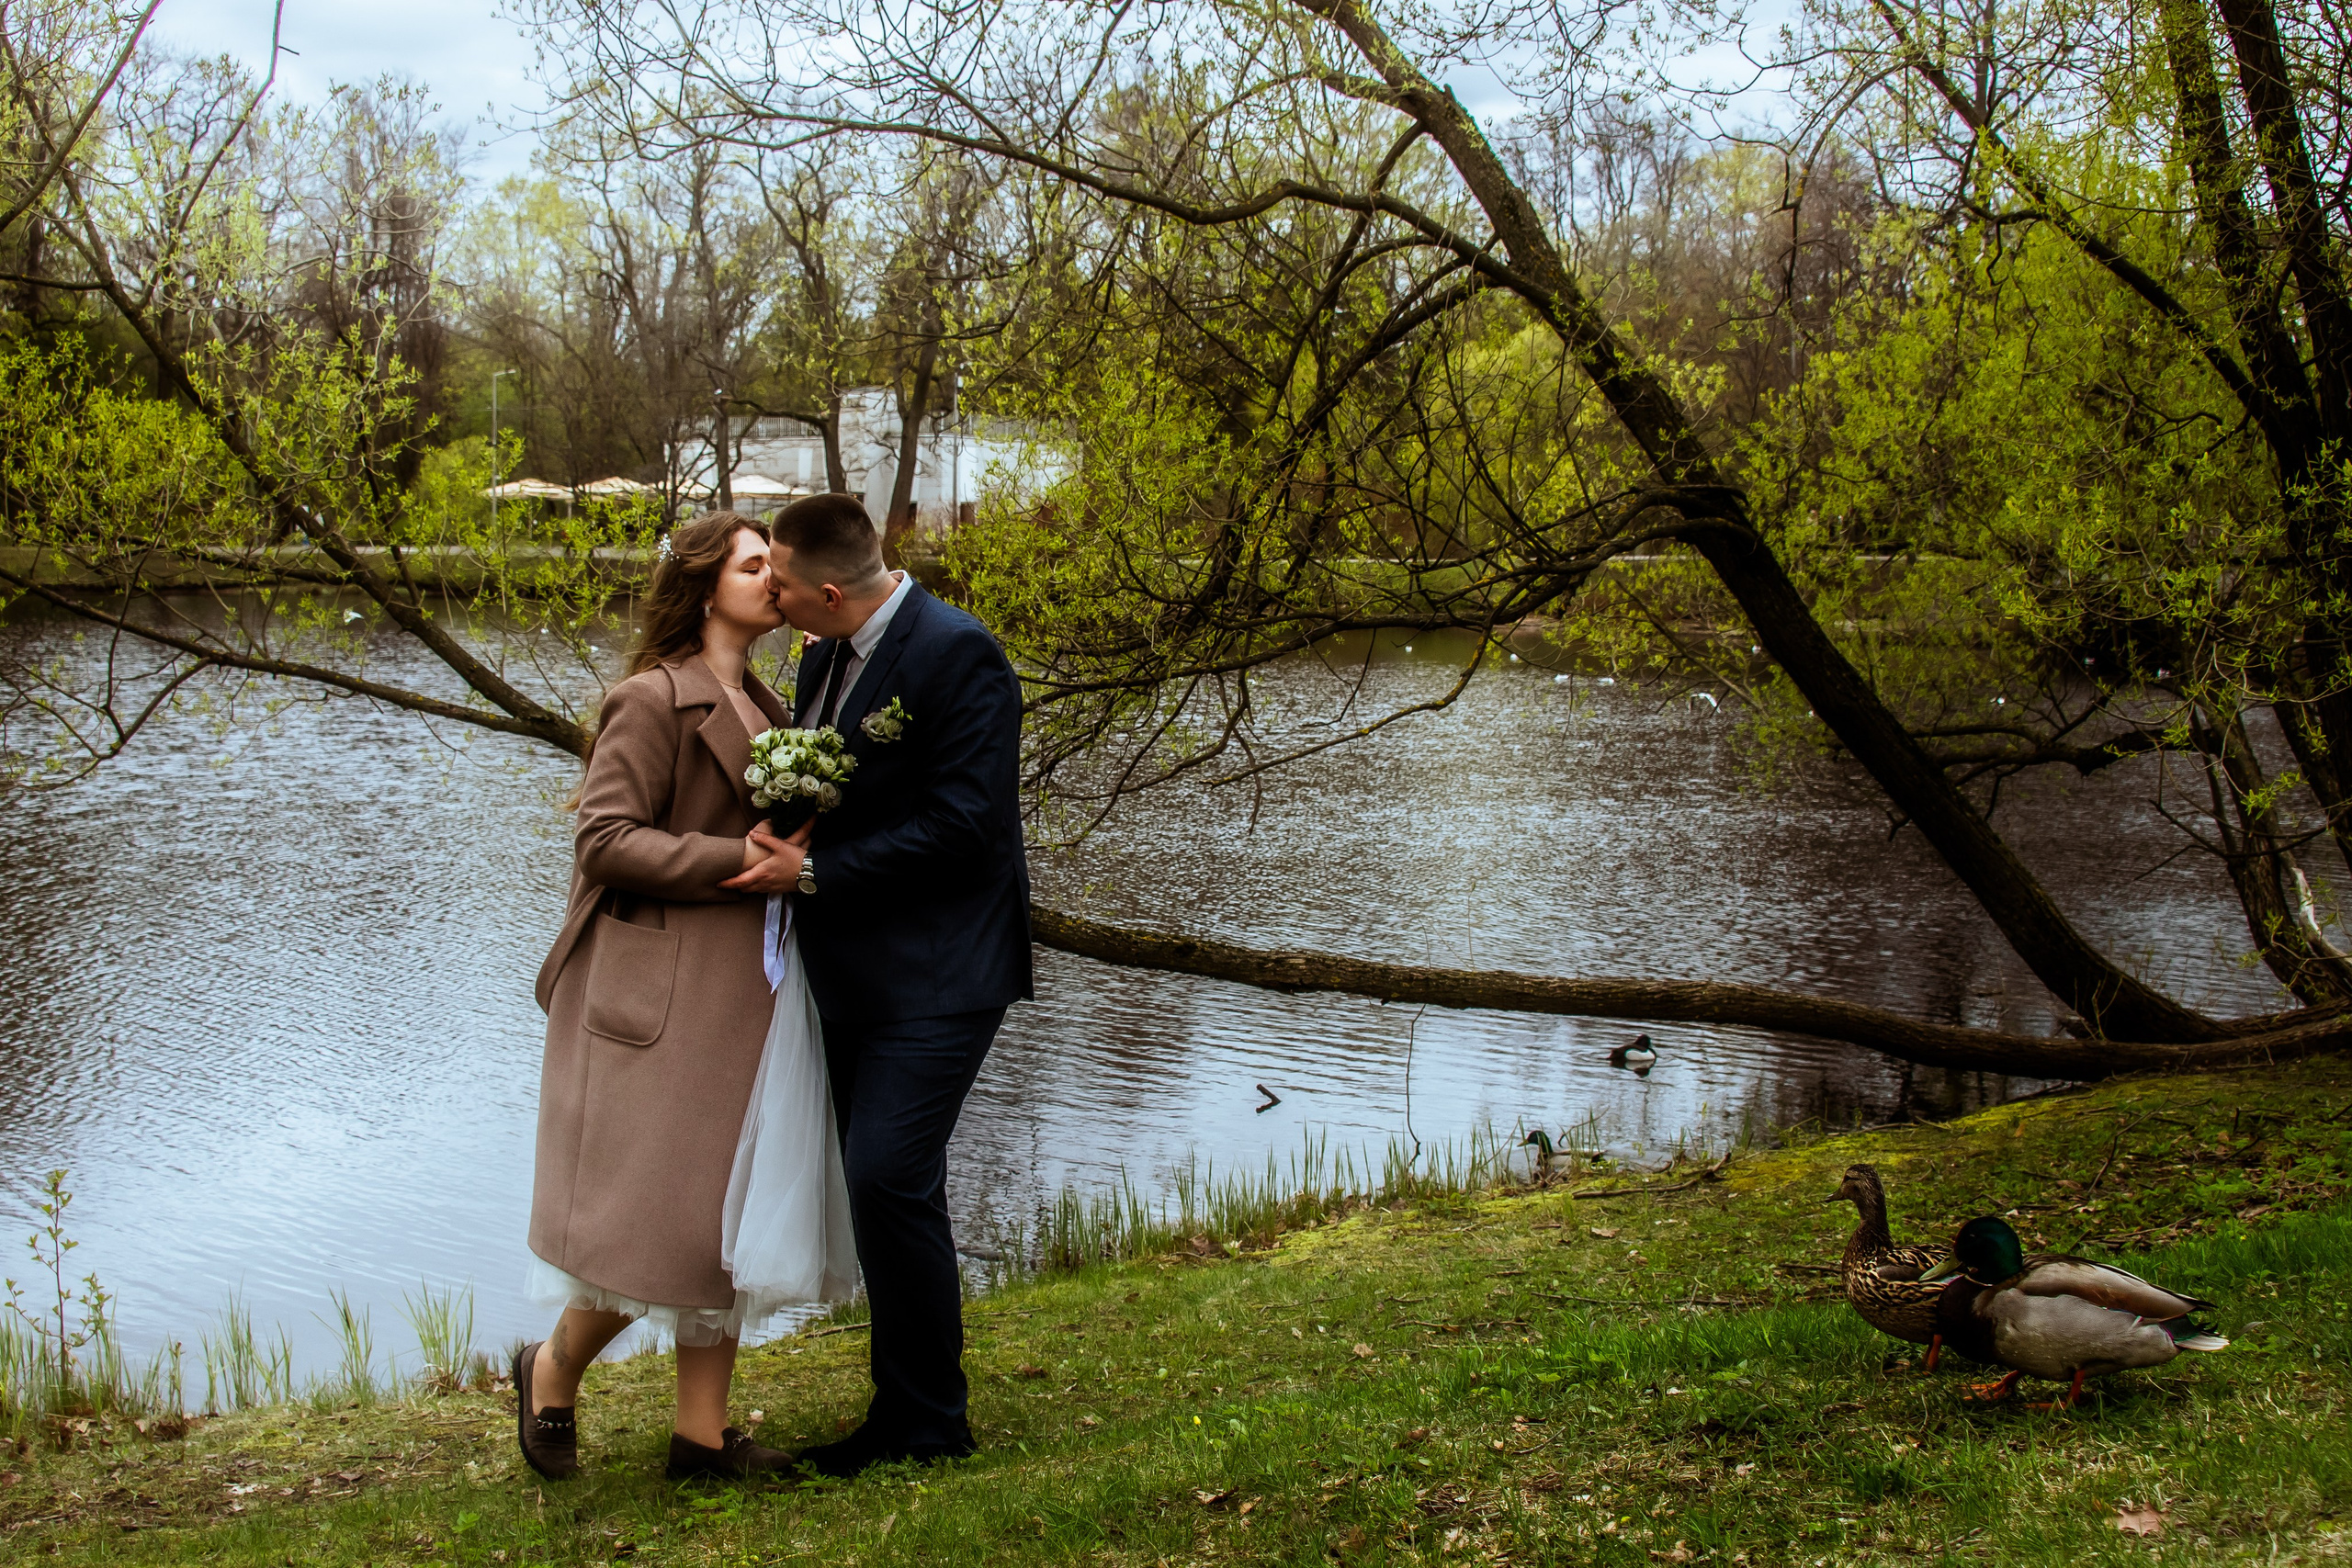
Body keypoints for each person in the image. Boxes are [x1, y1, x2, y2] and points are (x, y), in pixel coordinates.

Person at [516, 511, 853, 1484]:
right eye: (755, 565)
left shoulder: (774, 705)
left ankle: (700, 1441)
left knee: (726, 1221)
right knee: (649, 1229)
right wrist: (732, 858)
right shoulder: (649, 700)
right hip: (662, 993)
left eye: (775, 566)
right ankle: (549, 1371)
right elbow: (604, 841)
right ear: (706, 586)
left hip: (754, 988)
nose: (773, 580)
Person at [725, 491, 1033, 1477]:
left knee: (885, 1176)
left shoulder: (959, 654)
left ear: (823, 589)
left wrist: (810, 874)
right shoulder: (819, 656)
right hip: (851, 971)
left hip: (943, 972)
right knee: (888, 1191)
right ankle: (906, 1411)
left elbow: (963, 825)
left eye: (775, 576)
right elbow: (840, 788)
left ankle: (930, 1423)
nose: (767, 590)